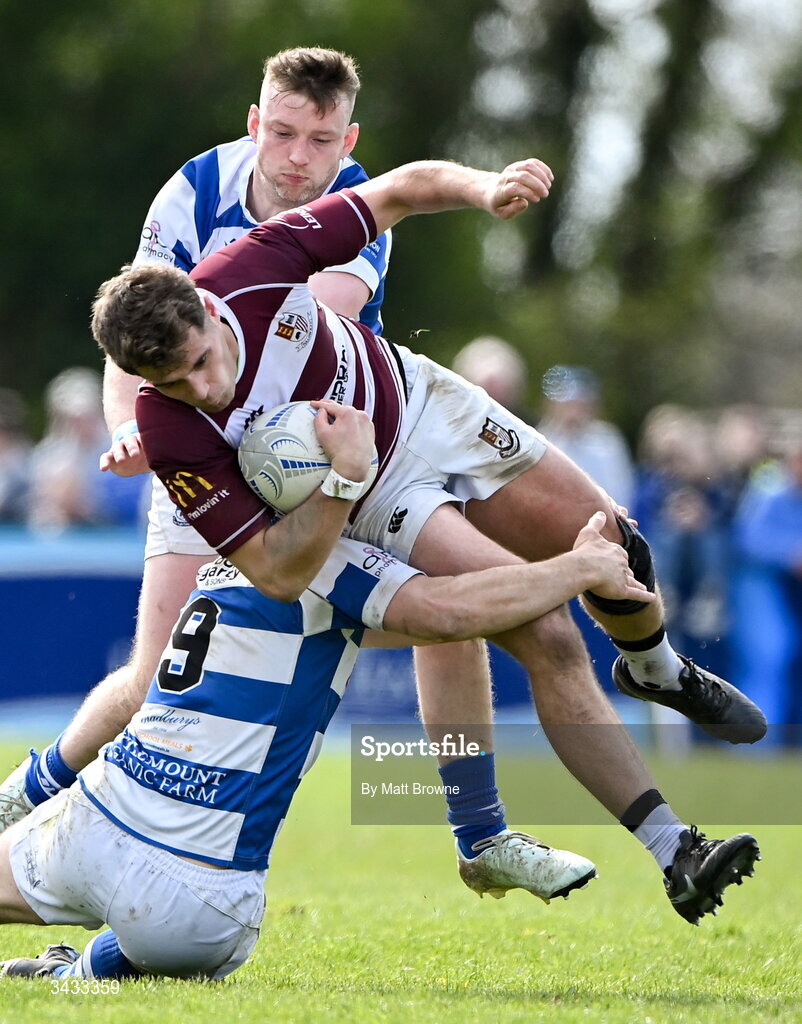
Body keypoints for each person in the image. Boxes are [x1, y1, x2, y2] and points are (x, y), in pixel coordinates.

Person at [83, 154, 764, 915]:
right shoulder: (169, 427)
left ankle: (657, 669)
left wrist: (486, 190)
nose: (204, 389)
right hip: (380, 495)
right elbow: (273, 571)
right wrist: (343, 478)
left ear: (209, 308)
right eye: (176, 384)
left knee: (614, 536)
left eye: (203, 363)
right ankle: (677, 850)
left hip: (423, 398)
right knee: (548, 631)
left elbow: (401, 191)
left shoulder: (252, 263)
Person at [0, 415, 752, 981]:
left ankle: (66, 943)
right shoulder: (335, 570)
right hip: (203, 900)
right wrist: (579, 566)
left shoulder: (231, 549)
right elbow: (457, 613)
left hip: (96, 824)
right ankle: (80, 973)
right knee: (161, 925)